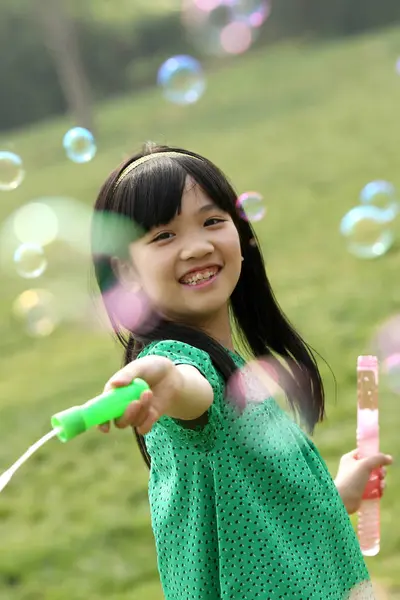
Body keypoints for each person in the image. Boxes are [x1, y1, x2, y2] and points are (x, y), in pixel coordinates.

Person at [91, 143, 393, 599]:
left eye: (212, 221)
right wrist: (159, 376)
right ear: (124, 270)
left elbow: (249, 514)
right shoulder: (187, 365)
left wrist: (334, 497)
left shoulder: (229, 368)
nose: (197, 246)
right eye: (163, 236)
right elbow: (184, 383)